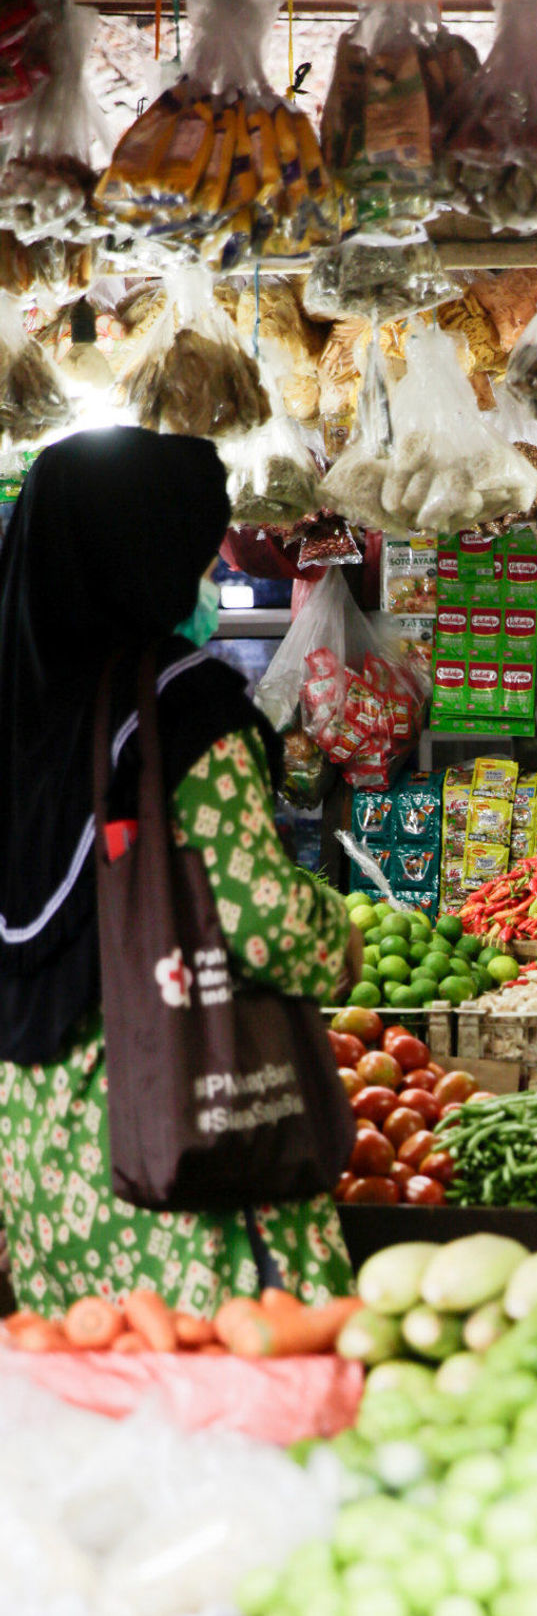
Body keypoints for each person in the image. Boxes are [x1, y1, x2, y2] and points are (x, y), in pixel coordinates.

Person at [0, 427, 361, 1317]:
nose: (203, 578)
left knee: (92, 1404)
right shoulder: (179, 708)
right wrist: (335, 930)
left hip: (35, 1143)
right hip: (172, 1127)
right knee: (232, 1400)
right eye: (196, 552)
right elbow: (270, 924)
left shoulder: (20, 702)